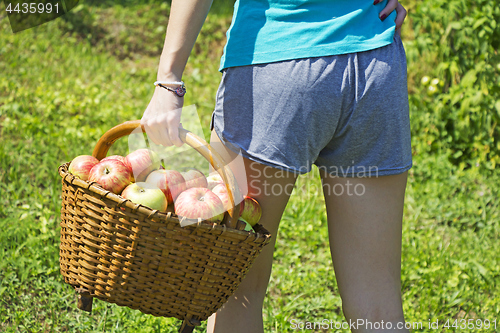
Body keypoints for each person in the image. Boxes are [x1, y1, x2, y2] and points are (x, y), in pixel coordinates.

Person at [141, 0, 411, 332]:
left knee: (235, 287)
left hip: (275, 64)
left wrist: (168, 79)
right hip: (375, 66)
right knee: (376, 300)